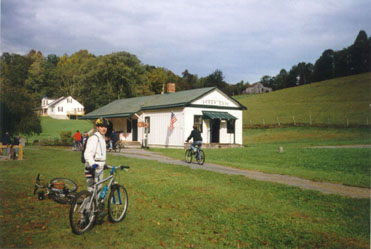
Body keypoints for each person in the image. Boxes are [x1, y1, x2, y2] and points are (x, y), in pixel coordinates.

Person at [83, 117, 109, 193]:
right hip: (92, 167)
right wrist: (93, 164)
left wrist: (103, 164)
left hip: (99, 167)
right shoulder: (94, 138)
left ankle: (96, 204)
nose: (104, 129)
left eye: (105, 127)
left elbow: (100, 155)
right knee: (92, 191)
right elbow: (87, 154)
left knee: (98, 190)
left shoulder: (102, 138)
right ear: (97, 127)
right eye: (101, 126)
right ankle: (87, 205)